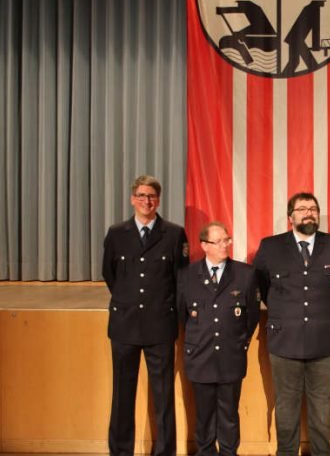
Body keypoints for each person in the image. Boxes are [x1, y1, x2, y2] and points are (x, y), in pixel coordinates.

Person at [253, 192, 330, 456]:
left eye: (313, 208)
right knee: (286, 406)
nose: (308, 212)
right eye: (302, 209)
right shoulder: (270, 247)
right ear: (290, 217)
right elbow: (263, 287)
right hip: (284, 340)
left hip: (324, 340)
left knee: (322, 406)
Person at [102, 175, 189, 456]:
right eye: (141, 195)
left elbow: (180, 279)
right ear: (132, 199)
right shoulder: (117, 233)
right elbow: (110, 274)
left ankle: (164, 452)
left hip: (160, 325)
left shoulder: (174, 234)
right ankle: (120, 450)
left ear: (158, 200)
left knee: (163, 396)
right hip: (124, 325)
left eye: (151, 196)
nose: (146, 201)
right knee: (122, 394)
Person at [177, 222, 260, 456]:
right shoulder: (187, 276)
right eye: (219, 241)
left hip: (230, 356)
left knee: (229, 415)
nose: (225, 245)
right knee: (203, 415)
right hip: (200, 356)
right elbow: (183, 316)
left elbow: (251, 317)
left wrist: (237, 342)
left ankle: (228, 452)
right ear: (204, 245)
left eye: (227, 240)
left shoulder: (245, 274)